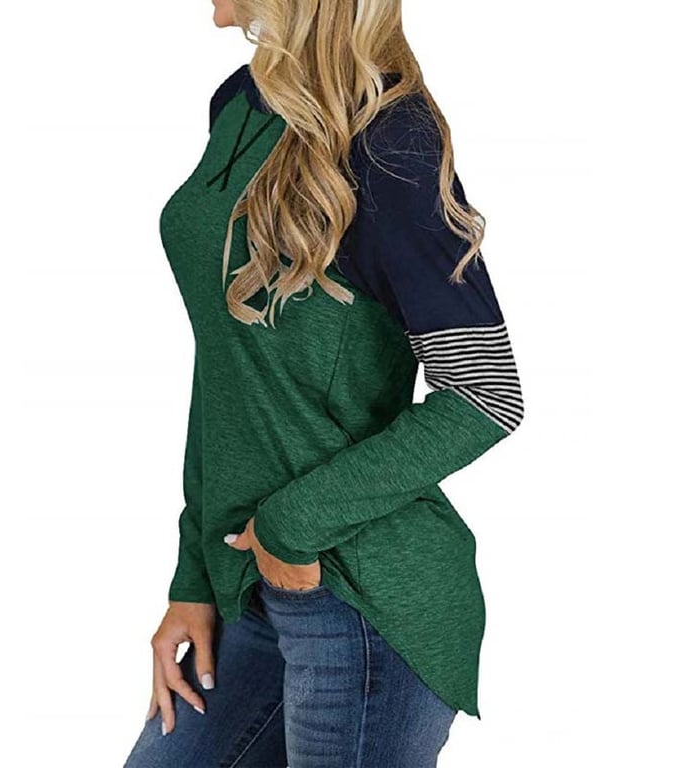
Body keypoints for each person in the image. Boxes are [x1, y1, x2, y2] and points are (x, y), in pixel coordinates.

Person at [124, 1, 524, 765]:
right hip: (248, 580)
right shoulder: (242, 103)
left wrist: (291, 526)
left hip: (362, 599)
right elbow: (230, 374)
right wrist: (193, 577)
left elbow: (486, 393)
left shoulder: (389, 137)